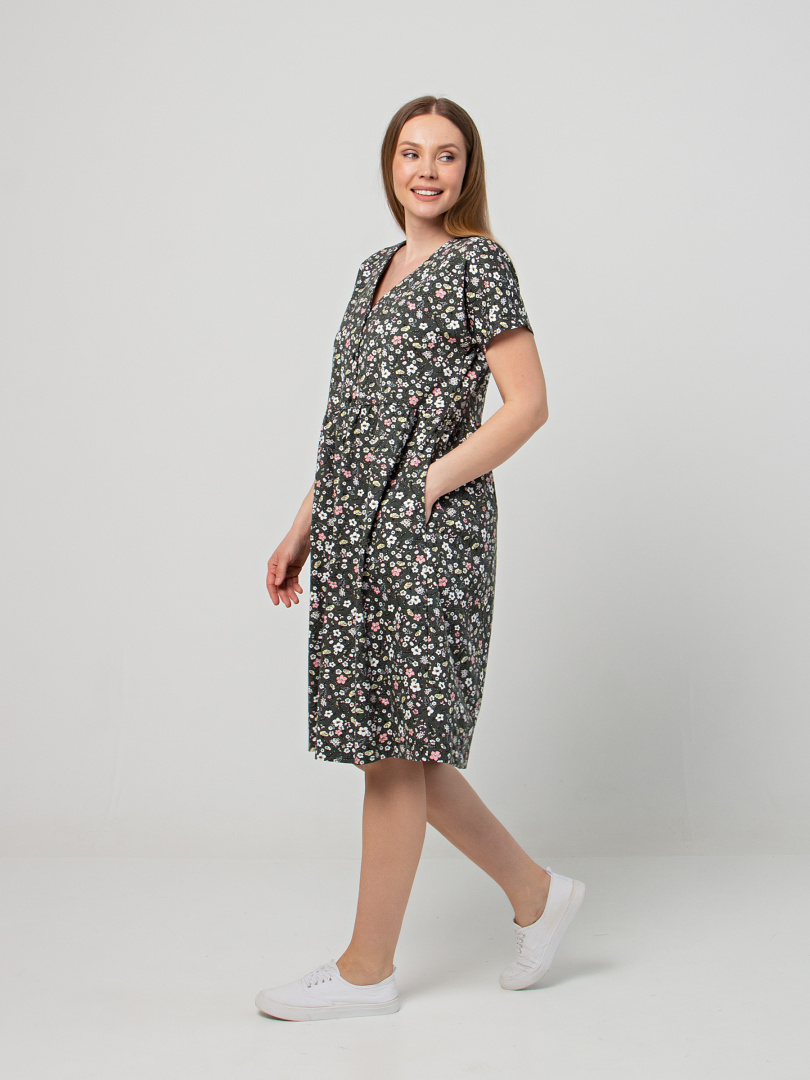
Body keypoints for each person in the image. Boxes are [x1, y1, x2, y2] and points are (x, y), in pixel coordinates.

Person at [257, 95, 584, 1022]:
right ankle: (537, 895)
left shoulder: (481, 264)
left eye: (446, 154)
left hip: (428, 534)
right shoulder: (372, 270)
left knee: (396, 749)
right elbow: (349, 423)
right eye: (411, 153)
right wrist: (303, 526)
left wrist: (426, 483)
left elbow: (528, 403)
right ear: (390, 166)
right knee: (395, 741)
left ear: (467, 170)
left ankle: (367, 971)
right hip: (354, 530)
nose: (427, 170)